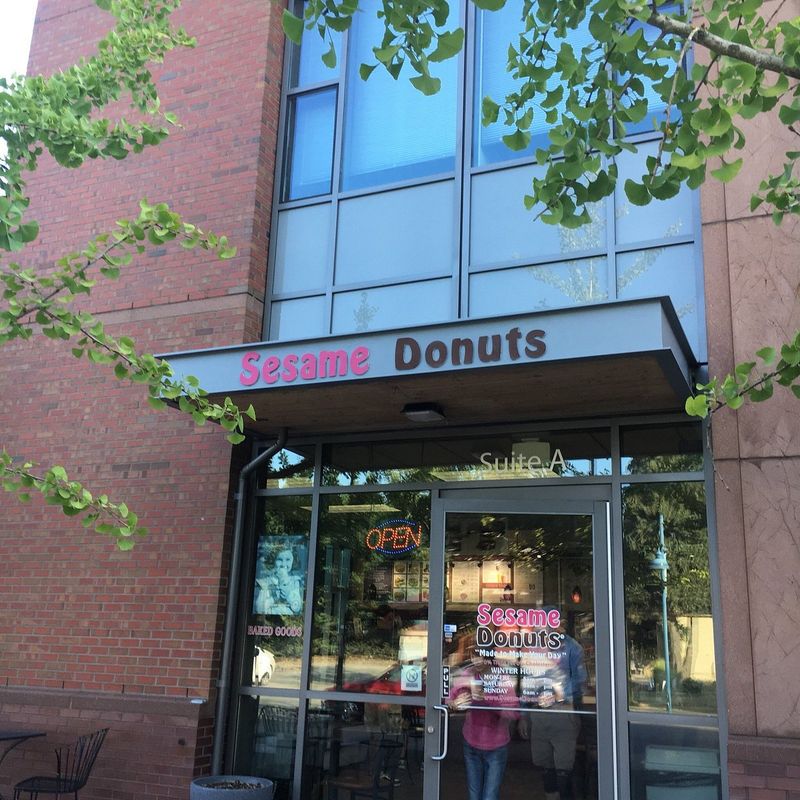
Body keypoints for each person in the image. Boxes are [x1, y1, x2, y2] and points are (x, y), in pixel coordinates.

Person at [520, 608, 587, 800]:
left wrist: (559, 695)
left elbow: (579, 683)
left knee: (564, 768)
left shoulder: (572, 648)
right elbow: (527, 682)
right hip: (539, 715)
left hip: (563, 714)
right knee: (546, 766)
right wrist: (524, 714)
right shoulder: (533, 648)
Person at [459, 653, 519, 800]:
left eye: (481, 656)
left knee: (490, 796)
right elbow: (449, 696)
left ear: (490, 657)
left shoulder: (501, 677)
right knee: (474, 795)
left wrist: (488, 700)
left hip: (496, 746)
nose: (477, 661)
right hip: (471, 742)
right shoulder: (468, 674)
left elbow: (513, 712)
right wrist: (458, 701)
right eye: (474, 656)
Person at [253, 546, 303, 615]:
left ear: (292, 560)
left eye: (288, 559)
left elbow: (297, 609)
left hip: (290, 623)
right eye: (279, 559)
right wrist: (274, 598)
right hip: (269, 622)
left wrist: (288, 595)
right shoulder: (266, 582)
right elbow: (259, 609)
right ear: (273, 561)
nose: (283, 564)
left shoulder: (295, 581)